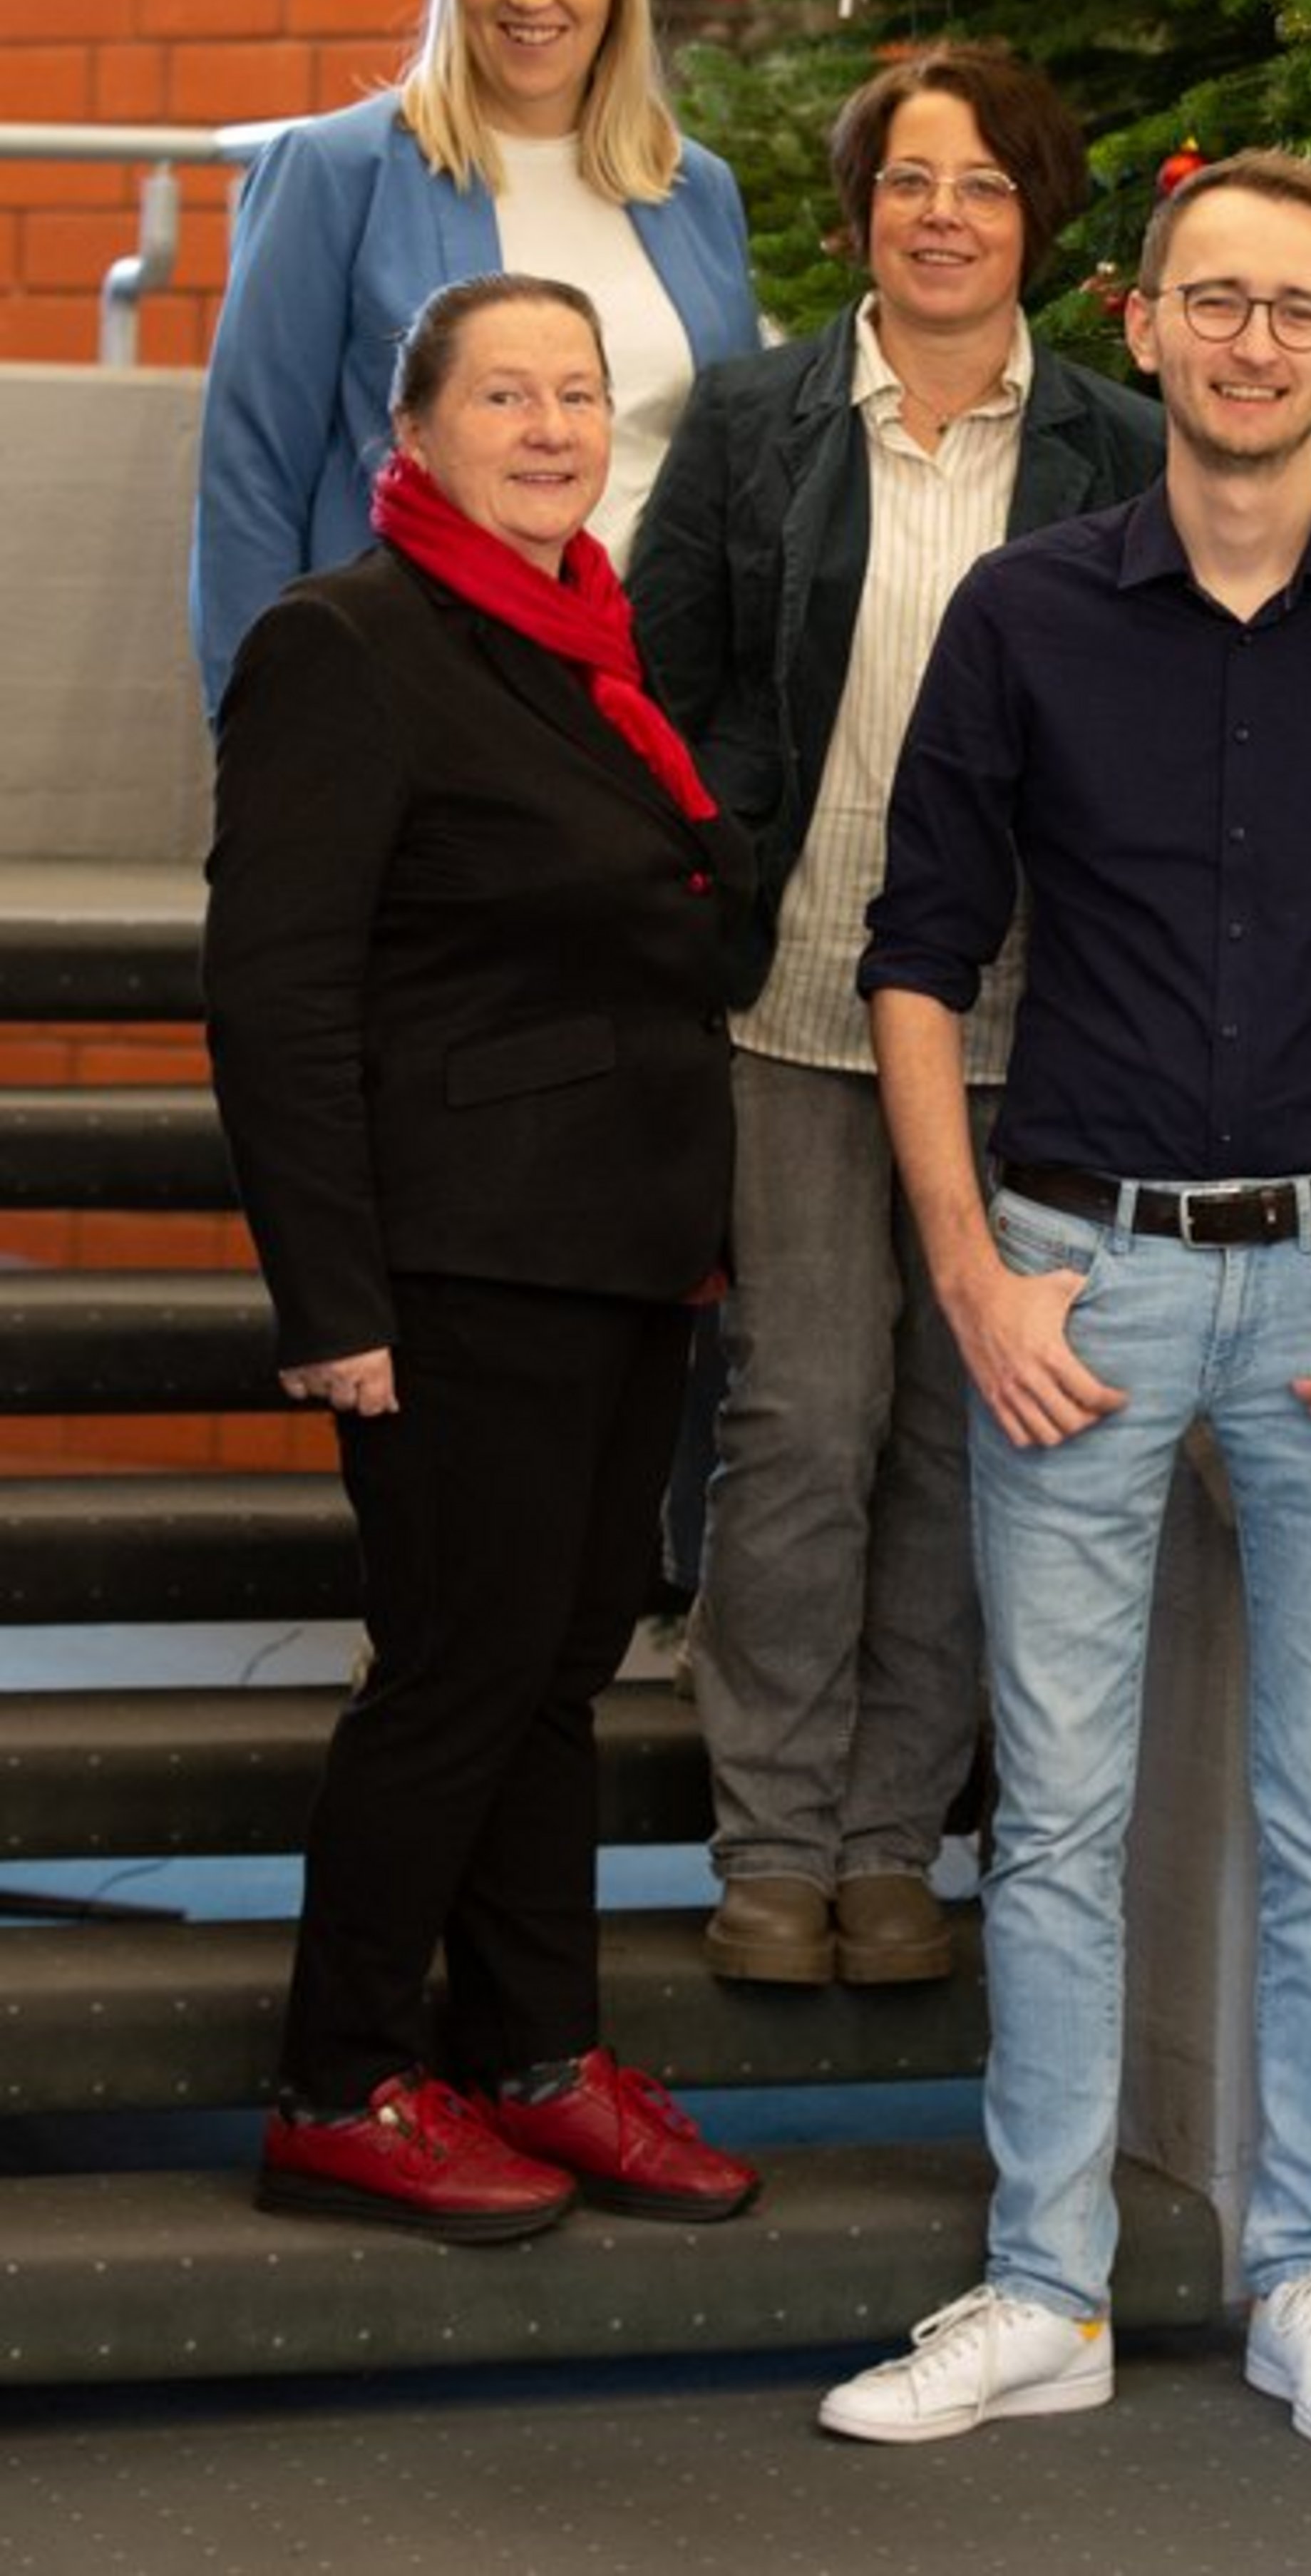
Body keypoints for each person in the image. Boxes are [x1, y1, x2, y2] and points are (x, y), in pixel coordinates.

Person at [821, 148, 1311, 2446]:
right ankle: (1040, 2286)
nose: (1251, 340)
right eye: (1211, 299)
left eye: (1296, 307)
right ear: (1134, 324)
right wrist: (970, 1269)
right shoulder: (1029, 613)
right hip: (1077, 1279)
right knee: (1054, 1817)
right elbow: (915, 958)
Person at [202, 270, 761, 2241]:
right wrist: (330, 1303)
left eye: (579, 395)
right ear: (418, 427)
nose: (549, 425)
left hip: (616, 1254)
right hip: (452, 1262)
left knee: (553, 1674)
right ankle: (340, 2076)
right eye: (505, 393)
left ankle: (535, 2054)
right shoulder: (345, 642)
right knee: (457, 1670)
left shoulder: (579, 645)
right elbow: (273, 996)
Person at [628, 45, 1164, 1990]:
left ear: (1038, 217)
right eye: (909, 179)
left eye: (986, 182)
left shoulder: (1118, 439)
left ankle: (889, 1837)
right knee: (804, 1411)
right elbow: (660, 676)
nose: (944, 213)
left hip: (1036, 1017)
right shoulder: (757, 417)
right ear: (859, 212)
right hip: (790, 993)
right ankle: (769, 1833)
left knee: (967, 1431)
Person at [190, 0, 755, 718]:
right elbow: (250, 478)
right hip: (407, 706)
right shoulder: (336, 173)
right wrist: (260, 733)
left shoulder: (695, 192)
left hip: (648, 707)